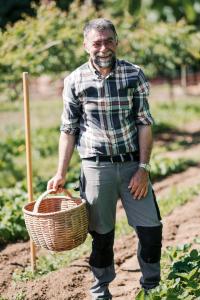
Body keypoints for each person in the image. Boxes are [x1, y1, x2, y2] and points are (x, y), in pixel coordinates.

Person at [47, 18, 162, 300]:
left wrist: (143, 168)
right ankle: (101, 292)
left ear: (116, 41)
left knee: (151, 230)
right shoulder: (74, 80)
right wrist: (60, 172)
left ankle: (152, 289)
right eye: (96, 42)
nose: (103, 48)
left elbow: (144, 122)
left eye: (108, 40)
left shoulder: (134, 75)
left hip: (133, 165)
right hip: (96, 167)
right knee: (102, 235)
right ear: (86, 45)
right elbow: (68, 129)